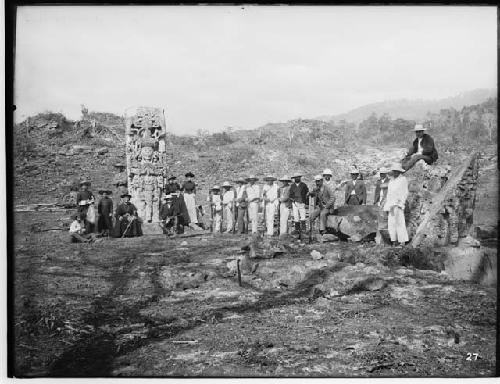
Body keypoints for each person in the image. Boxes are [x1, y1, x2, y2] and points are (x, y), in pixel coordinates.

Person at [383, 164, 409, 246]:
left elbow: (405, 192)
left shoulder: (403, 179)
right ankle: (394, 240)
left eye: (396, 171)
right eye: (393, 171)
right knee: (391, 223)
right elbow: (389, 194)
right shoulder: (391, 181)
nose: (394, 173)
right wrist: (387, 205)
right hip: (391, 204)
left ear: (398, 171)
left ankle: (402, 241)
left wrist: (401, 202)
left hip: (398, 204)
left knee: (400, 222)